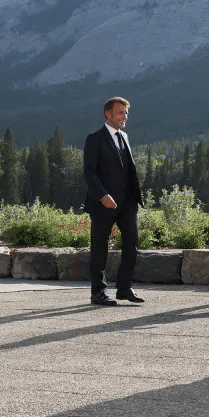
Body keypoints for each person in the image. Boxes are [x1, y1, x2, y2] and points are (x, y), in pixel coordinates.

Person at [83, 96, 145, 307]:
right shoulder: (94, 138)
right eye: (120, 112)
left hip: (127, 203)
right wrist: (102, 195)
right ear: (107, 114)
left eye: (126, 113)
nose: (124, 116)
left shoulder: (124, 137)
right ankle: (98, 292)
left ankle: (124, 288)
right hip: (103, 202)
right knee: (100, 246)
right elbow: (89, 172)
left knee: (132, 241)